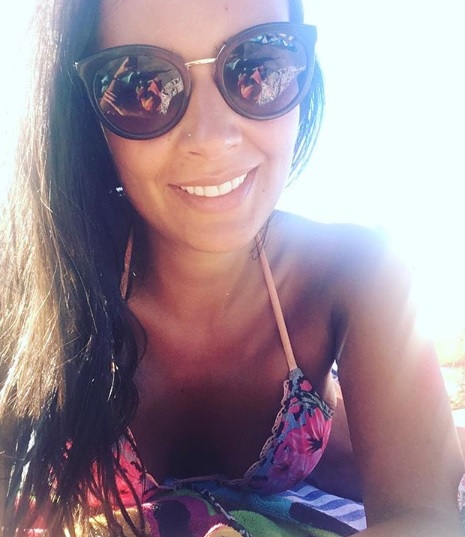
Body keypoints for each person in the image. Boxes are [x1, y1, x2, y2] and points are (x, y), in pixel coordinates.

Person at [0, 0, 463, 535]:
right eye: (140, 83)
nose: (212, 136)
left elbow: (423, 515)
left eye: (259, 64)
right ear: (83, 113)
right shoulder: (35, 283)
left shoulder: (359, 274)